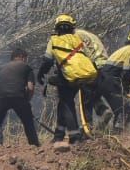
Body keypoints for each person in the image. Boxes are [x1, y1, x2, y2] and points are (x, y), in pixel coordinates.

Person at [36, 14, 99, 142]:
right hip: (86, 74)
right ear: (72, 27)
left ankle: (74, 136)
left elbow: (47, 61)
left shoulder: (54, 40)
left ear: (57, 28)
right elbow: (90, 57)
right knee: (64, 102)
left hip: (68, 76)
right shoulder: (78, 39)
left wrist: (41, 73)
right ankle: (59, 135)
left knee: (67, 103)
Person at [96, 26, 130, 129]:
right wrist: (126, 90)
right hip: (110, 81)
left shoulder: (125, 49)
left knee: (120, 109)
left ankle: (102, 131)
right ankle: (118, 135)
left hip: (103, 79)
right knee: (125, 111)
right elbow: (127, 73)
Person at [0, 47, 40, 146]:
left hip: (1, 97)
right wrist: (27, 100)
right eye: (26, 58)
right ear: (22, 57)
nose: (26, 60)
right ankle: (34, 145)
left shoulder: (1, 68)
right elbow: (30, 87)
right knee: (28, 121)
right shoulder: (26, 67)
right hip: (19, 97)